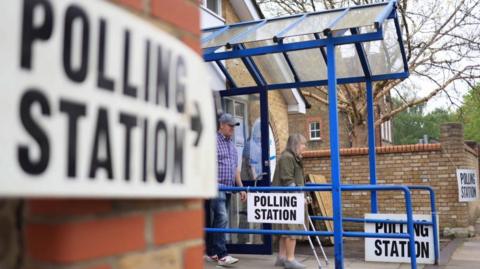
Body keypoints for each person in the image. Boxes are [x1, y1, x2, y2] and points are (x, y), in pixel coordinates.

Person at [205, 113, 247, 266]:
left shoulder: (232, 145)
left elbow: (236, 170)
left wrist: (242, 188)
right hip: (217, 187)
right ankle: (222, 254)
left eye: (234, 126)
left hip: (229, 188)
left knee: (218, 219)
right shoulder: (212, 141)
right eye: (230, 126)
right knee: (222, 217)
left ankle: (212, 251)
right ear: (221, 125)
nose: (232, 129)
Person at [271, 134, 308, 269]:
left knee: (285, 228)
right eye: (303, 144)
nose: (305, 147)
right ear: (296, 145)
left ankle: (281, 257)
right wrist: (299, 196)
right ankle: (290, 259)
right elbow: (288, 179)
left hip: (286, 197)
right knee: (291, 228)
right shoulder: (287, 157)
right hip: (288, 198)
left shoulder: (290, 157)